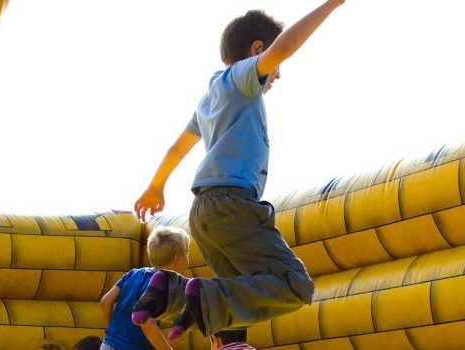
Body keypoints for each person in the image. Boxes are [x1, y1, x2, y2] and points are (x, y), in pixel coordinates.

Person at [132, 0, 345, 341]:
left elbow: (177, 147)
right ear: (258, 49)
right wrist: (331, 5)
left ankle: (173, 293)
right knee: (294, 284)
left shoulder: (211, 97)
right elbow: (285, 46)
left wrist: (155, 187)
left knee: (237, 297)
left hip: (202, 213)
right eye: (275, 66)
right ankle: (199, 297)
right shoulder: (243, 80)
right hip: (232, 204)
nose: (278, 74)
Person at [100, 226, 191, 350]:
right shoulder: (164, 284)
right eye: (187, 253)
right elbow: (147, 323)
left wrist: (112, 332)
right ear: (177, 258)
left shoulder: (133, 274)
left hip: (108, 345)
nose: (188, 258)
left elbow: (106, 301)